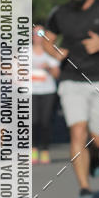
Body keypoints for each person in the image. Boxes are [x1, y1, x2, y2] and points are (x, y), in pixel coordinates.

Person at [44, 0, 99, 198]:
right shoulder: (59, 13)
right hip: (71, 80)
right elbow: (45, 39)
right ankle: (84, 188)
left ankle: (94, 153)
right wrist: (54, 51)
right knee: (77, 131)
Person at [31, 25, 59, 164]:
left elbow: (56, 73)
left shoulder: (49, 52)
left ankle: (45, 149)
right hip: (31, 91)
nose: (38, 36)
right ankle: (33, 148)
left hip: (48, 90)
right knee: (34, 121)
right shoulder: (25, 52)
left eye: (41, 33)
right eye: (35, 33)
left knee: (45, 121)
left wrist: (48, 67)